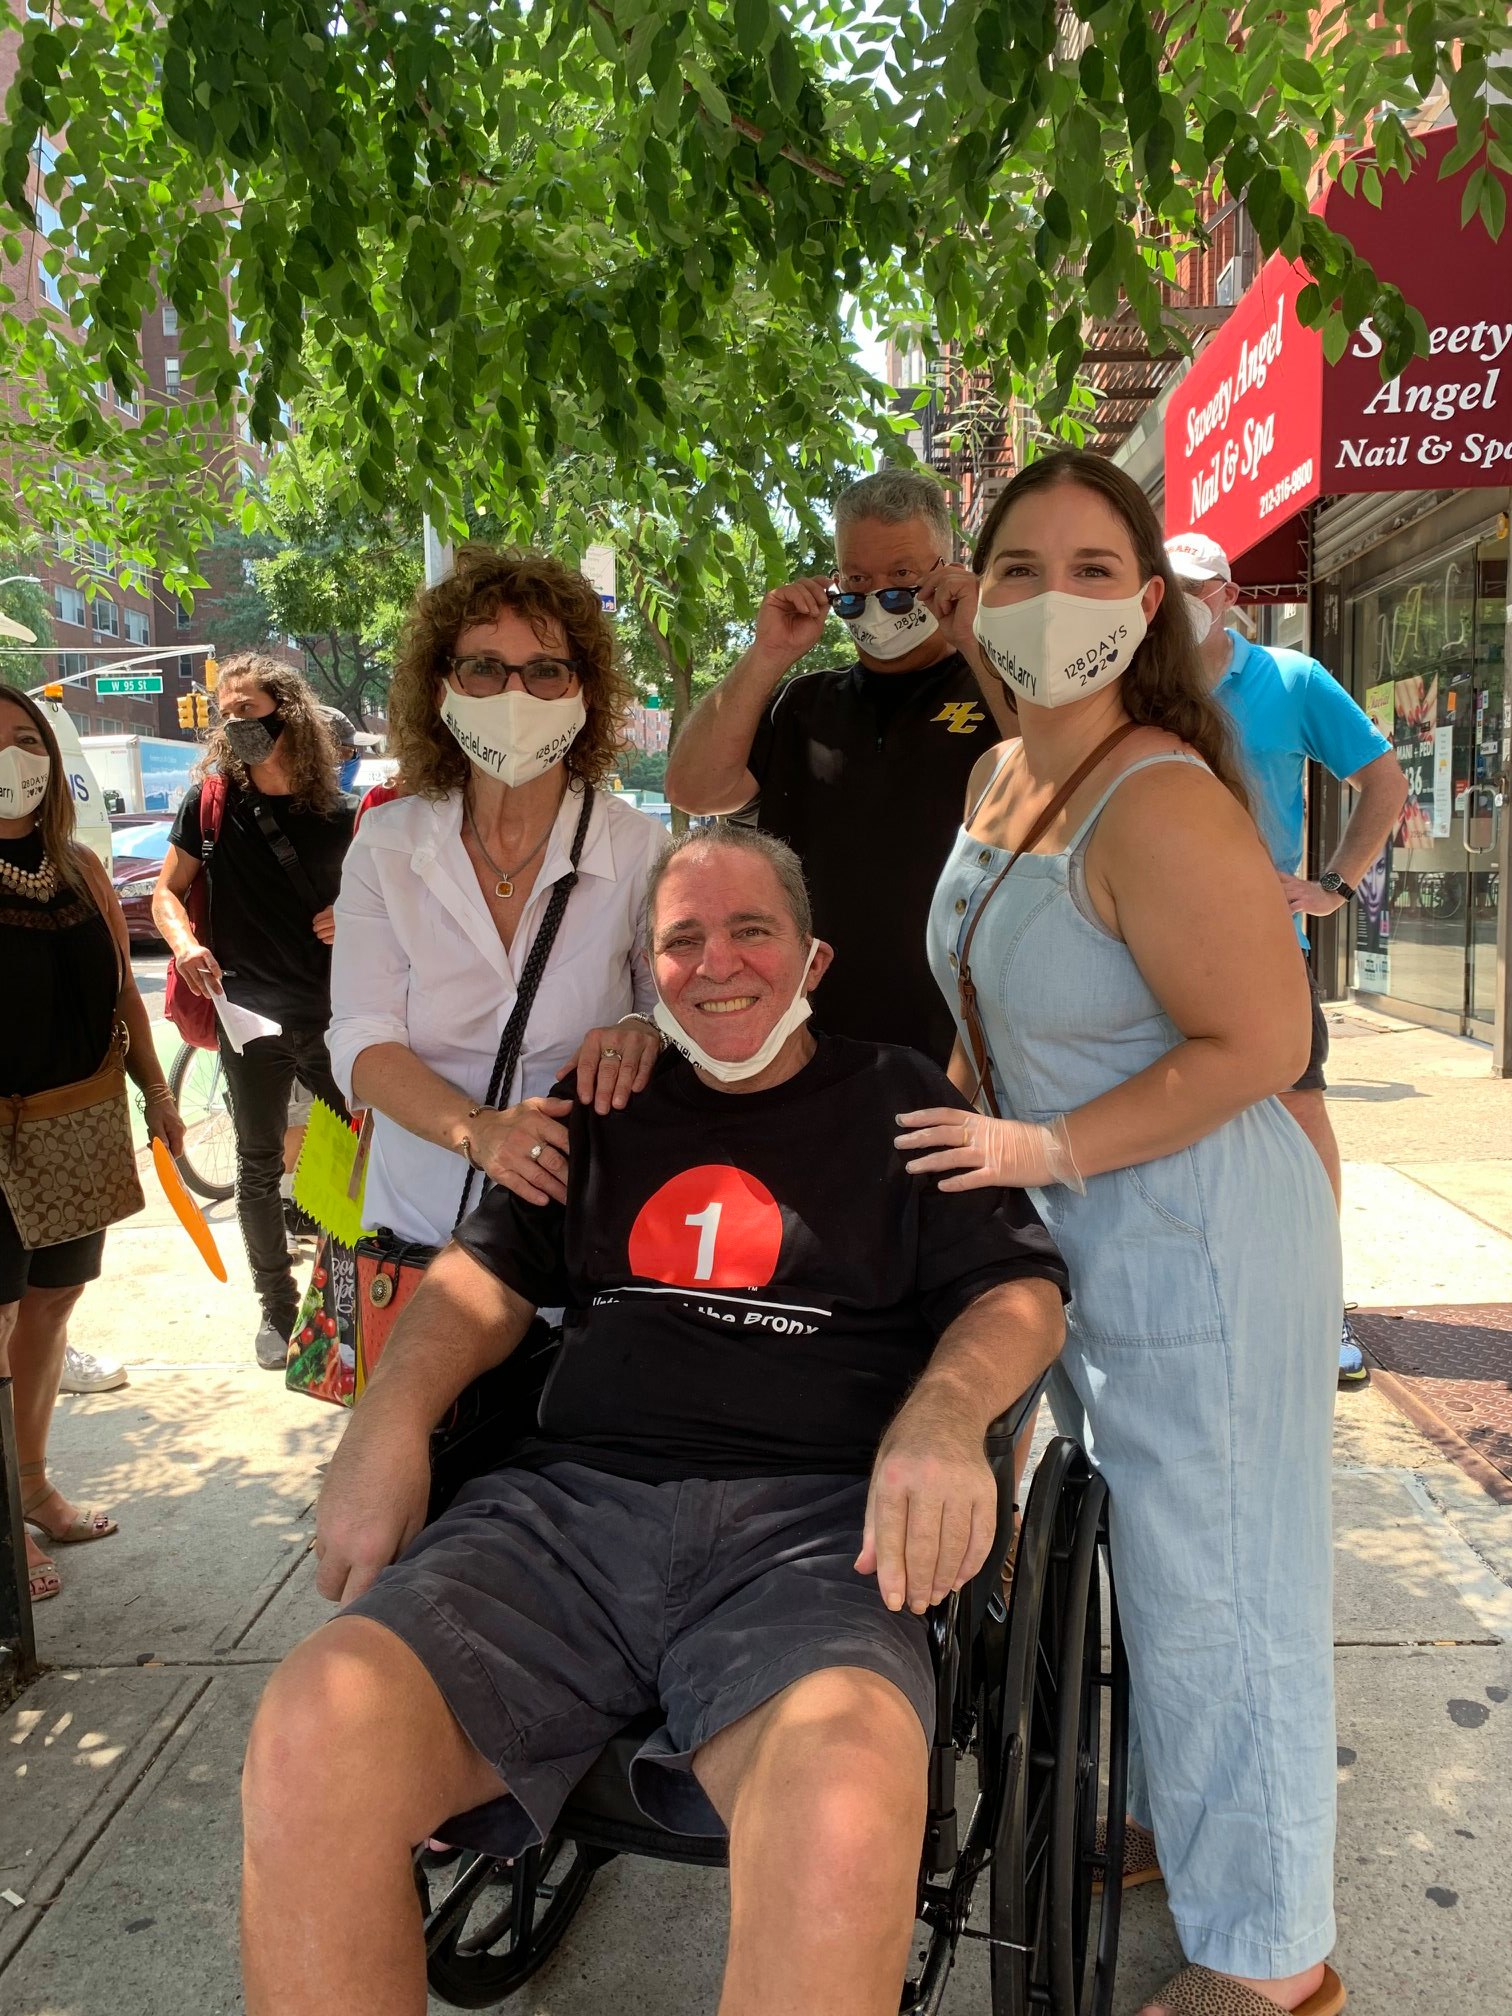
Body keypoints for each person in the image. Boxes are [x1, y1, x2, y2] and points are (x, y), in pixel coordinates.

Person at [241, 823, 1068, 2016]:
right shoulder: (603, 1103)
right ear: (650, 971)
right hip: (564, 1520)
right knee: (314, 1727)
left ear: (814, 959)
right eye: (683, 940)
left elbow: (1018, 1291)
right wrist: (389, 1418)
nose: (718, 963)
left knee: (841, 1803)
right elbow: (482, 1281)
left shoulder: (895, 1095)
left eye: (751, 931)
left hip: (816, 1537)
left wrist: (943, 1415)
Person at [900, 452, 1345, 2016]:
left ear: (1146, 605)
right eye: (1019, 567)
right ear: (979, 596)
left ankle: (1272, 1958)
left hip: (1201, 1242)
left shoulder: (1157, 796)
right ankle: (1168, 1814)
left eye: (1095, 569)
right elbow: (986, 1003)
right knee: (1153, 1565)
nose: (1052, 600)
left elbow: (1266, 1042)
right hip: (1082, 1234)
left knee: (1227, 1587)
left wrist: (1047, 1143)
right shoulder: (1000, 776)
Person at [327, 547, 669, 1251]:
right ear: (441, 687)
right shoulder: (387, 846)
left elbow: (669, 1015)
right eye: (483, 667)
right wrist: (475, 1131)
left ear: (586, 692)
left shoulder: (640, 851)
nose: (514, 695)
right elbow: (361, 1039)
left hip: (580, 1239)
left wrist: (645, 1032)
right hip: (417, 1236)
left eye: (545, 671)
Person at [664, 469, 1016, 1064]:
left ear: (946, 568)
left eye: (902, 577)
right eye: (857, 579)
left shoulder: (995, 688)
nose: (878, 597)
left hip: (964, 1050)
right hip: (812, 1048)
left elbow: (1061, 775)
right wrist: (769, 651)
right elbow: (693, 788)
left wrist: (976, 638)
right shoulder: (803, 703)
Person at [1167, 530, 1409, 1390]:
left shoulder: (1291, 680)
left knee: (1297, 1113)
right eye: (1166, 583)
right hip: (1146, 945)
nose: (1179, 597)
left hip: (1264, 946)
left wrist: (1334, 887)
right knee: (1169, 1123)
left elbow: (1385, 782)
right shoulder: (1131, 684)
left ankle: (1319, 1302)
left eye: (1197, 584)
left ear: (1229, 594)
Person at [0, 688, 185, 1603]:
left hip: (78, 1126)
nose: (13, 758)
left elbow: (123, 994)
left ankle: (32, 1484)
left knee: (51, 1303)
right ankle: (3, 1518)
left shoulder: (76, 867)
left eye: (25, 740)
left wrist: (159, 1096)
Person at [153, 655, 356, 1370]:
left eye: (250, 708)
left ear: (289, 710)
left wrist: (355, 914)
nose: (237, 722)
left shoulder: (342, 817)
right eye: (226, 713)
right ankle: (275, 1308)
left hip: (338, 1020)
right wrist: (182, 945)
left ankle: (342, 1303)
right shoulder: (210, 806)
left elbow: (393, 913)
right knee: (258, 1165)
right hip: (248, 1018)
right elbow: (166, 892)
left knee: (351, 1167)